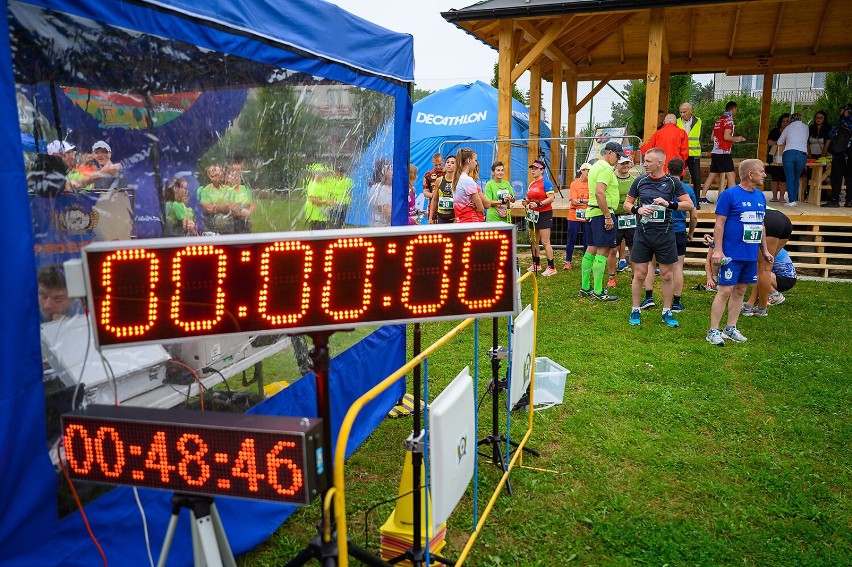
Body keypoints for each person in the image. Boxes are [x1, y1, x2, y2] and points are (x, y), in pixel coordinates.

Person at [622, 148, 694, 327]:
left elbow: (689, 205)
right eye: (644, 161)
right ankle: (635, 309)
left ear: (660, 163)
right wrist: (637, 209)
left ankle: (667, 311)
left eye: (648, 161)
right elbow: (626, 203)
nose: (644, 164)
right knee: (639, 274)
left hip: (665, 235)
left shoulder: (672, 182)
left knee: (667, 274)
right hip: (643, 234)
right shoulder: (639, 181)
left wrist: (668, 203)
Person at [706, 159, 773, 346]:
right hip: (731, 254)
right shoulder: (729, 195)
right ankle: (713, 331)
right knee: (725, 290)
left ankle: (731, 328)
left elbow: (761, 225)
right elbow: (719, 224)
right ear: (750, 175)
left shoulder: (760, 196)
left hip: (750, 255)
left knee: (741, 290)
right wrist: (717, 250)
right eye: (761, 171)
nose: (764, 175)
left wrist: (765, 250)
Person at [581, 141, 625, 300]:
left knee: (591, 249)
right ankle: (598, 292)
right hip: (602, 213)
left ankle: (585, 287)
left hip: (592, 213)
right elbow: (600, 192)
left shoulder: (595, 166)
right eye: (618, 156)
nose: (618, 159)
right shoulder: (606, 168)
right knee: (603, 251)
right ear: (610, 153)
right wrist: (607, 216)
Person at [741, 208, 793, 317]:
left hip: (767, 222)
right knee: (763, 269)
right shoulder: (755, 196)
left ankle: (761, 307)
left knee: (762, 268)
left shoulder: (731, 202)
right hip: (784, 220)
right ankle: (751, 305)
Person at [666, 158, 699, 313]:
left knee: (653, 264)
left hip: (661, 230)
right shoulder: (688, 189)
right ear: (683, 172)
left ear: (667, 170)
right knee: (678, 266)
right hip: (679, 230)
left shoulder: (662, 186)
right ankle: (676, 302)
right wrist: (691, 233)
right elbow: (694, 215)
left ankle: (648, 297)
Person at [700, 101, 745, 204]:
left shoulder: (718, 120)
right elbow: (726, 137)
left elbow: (712, 138)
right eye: (736, 110)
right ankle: (735, 199)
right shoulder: (729, 121)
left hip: (715, 151)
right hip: (724, 152)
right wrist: (738, 138)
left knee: (712, 175)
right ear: (733, 109)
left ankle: (702, 197)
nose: (736, 112)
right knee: (731, 175)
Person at [522, 159, 557, 275]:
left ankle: (551, 267)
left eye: (536, 169)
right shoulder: (532, 183)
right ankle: (536, 264)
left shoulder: (546, 182)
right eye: (532, 168)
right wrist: (526, 202)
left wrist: (539, 204)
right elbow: (528, 197)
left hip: (544, 213)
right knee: (533, 241)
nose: (533, 170)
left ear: (542, 170)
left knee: (545, 241)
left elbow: (551, 198)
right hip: (532, 214)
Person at [606, 155, 636, 285]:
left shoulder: (634, 181)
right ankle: (611, 277)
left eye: (626, 163)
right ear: (617, 164)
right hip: (615, 216)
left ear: (630, 164)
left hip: (630, 217)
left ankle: (635, 276)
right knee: (612, 249)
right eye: (622, 163)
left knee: (634, 248)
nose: (624, 166)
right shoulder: (611, 179)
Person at [776, 113, 809, 207]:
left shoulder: (788, 128)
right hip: (802, 154)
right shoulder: (806, 127)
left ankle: (791, 200)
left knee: (790, 177)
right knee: (796, 177)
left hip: (789, 153)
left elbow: (779, 142)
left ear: (791, 120)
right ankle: (794, 199)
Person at [823, 104, 852, 208]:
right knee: (850, 178)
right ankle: (849, 201)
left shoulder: (840, 124)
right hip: (851, 155)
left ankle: (835, 200)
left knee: (836, 178)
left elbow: (830, 135)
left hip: (839, 155)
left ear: (846, 112)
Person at [564, 162, 591, 270]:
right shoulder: (574, 184)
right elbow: (574, 201)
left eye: (589, 170)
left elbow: (593, 200)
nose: (587, 172)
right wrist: (585, 201)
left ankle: (586, 262)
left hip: (588, 214)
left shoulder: (592, 184)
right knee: (571, 238)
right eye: (585, 170)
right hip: (574, 214)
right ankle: (568, 261)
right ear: (581, 171)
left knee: (587, 239)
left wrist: (581, 201)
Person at [198, 164, 236, 234]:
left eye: (217, 175)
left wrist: (215, 206)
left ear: (221, 174)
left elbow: (233, 207)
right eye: (212, 176)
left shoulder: (229, 190)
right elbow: (208, 208)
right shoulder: (206, 190)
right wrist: (224, 206)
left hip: (228, 227)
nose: (215, 178)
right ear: (209, 176)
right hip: (211, 227)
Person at [452, 148, 486, 223]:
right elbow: (481, 208)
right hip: (471, 220)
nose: (476, 163)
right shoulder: (467, 180)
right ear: (469, 161)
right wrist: (476, 206)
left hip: (460, 221)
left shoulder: (456, 178)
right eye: (475, 160)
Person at [226, 156, 255, 233]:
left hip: (244, 220)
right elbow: (227, 206)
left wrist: (249, 212)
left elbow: (252, 205)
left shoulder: (245, 189)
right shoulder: (226, 190)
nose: (237, 174)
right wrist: (239, 211)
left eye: (239, 171)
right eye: (234, 171)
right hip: (231, 221)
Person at [677, 102, 703, 187]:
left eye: (684, 112)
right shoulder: (677, 122)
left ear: (690, 111)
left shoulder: (698, 121)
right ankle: (679, 197)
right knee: (679, 177)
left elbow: (700, 136)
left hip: (694, 154)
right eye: (680, 112)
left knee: (696, 178)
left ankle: (696, 199)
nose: (682, 114)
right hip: (681, 153)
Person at [766, 113, 790, 203]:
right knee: (774, 177)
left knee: (783, 178)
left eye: (787, 121)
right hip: (774, 157)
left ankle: (782, 197)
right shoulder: (775, 131)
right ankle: (774, 196)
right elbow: (769, 141)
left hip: (786, 157)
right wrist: (778, 143)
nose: (785, 123)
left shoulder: (791, 132)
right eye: (783, 121)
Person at [428, 155, 456, 224]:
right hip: (441, 217)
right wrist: (430, 217)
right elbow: (435, 199)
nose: (449, 164)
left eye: (452, 163)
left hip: (455, 217)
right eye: (448, 162)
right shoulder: (439, 180)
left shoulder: (459, 181)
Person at [369, 161, 393, 226]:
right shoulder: (378, 189)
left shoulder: (392, 188)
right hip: (381, 228)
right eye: (389, 169)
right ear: (382, 171)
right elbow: (388, 213)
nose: (391, 171)